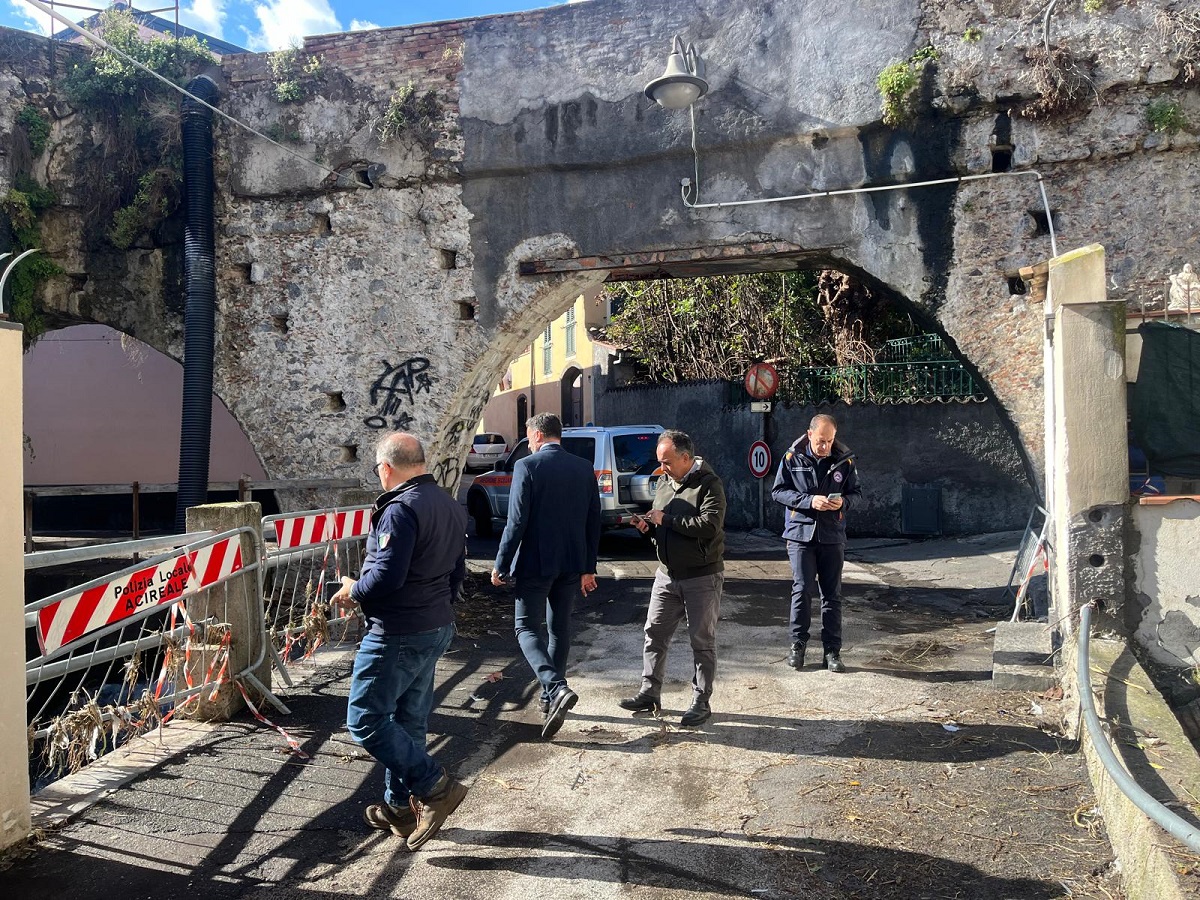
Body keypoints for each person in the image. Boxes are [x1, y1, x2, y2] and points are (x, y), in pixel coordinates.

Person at [332, 432, 469, 851]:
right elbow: (457, 573)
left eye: (377, 470)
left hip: (397, 631)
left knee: (365, 720)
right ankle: (397, 809)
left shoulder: (400, 509)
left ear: (386, 468)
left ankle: (434, 787)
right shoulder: (448, 504)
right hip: (434, 624)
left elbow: (387, 576)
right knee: (408, 721)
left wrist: (353, 589)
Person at [492, 412, 601, 740]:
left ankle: (555, 687)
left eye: (527, 436)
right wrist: (588, 567)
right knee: (559, 630)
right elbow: (593, 520)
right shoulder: (583, 467)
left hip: (536, 563)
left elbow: (516, 521)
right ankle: (550, 697)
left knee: (525, 627)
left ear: (537, 436)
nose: (527, 442)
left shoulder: (527, 466)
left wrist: (501, 563)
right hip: (571, 562)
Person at [622, 430, 726, 727]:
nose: (662, 468)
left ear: (685, 458)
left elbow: (709, 526)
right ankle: (649, 692)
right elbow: (663, 526)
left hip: (702, 577)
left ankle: (701, 700)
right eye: (659, 462)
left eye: (666, 462)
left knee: (701, 641)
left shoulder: (710, 484)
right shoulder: (665, 483)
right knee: (654, 633)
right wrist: (649, 528)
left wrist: (665, 520)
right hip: (667, 575)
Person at [771, 413, 861, 673]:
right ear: (809, 434)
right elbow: (778, 491)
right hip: (800, 535)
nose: (825, 447)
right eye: (821, 441)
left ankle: (832, 651)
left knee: (832, 595)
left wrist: (843, 502)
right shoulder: (792, 457)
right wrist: (809, 501)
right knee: (802, 590)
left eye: (830, 441)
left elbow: (857, 493)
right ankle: (797, 645)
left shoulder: (846, 460)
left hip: (832, 535)